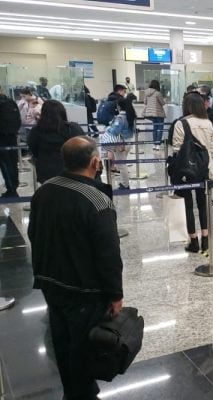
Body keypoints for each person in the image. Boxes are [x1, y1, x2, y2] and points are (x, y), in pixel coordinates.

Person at [28, 136, 123, 400]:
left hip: (50, 283)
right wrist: (115, 294)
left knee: (61, 340)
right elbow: (108, 255)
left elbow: (33, 234)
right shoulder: (97, 200)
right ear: (95, 162)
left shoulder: (44, 190)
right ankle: (81, 394)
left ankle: (73, 391)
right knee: (82, 347)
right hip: (84, 290)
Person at [173, 92, 213, 254]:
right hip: (206, 168)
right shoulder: (208, 123)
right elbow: (212, 150)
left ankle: (194, 241)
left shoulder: (181, 123)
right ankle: (206, 239)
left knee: (188, 205)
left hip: (187, 169)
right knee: (203, 203)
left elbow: (177, 150)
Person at [27, 100, 85, 184]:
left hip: (46, 171)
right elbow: (84, 146)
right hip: (72, 170)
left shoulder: (36, 131)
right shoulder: (73, 128)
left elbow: (33, 148)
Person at [99, 92, 135, 190]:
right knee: (122, 163)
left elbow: (115, 131)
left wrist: (109, 128)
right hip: (129, 141)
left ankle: (125, 184)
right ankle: (124, 182)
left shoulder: (120, 117)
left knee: (121, 165)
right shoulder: (130, 116)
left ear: (119, 107)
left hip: (121, 143)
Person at [0, 84, 21, 198]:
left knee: (5, 164)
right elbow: (18, 120)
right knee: (12, 163)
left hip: (2, 139)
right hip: (12, 137)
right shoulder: (10, 101)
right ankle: (14, 186)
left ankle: (11, 190)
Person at [143, 79, 166, 150]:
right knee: (160, 129)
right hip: (158, 113)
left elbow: (145, 102)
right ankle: (158, 144)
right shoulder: (158, 93)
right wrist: (164, 100)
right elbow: (162, 103)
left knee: (155, 128)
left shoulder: (146, 93)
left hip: (151, 114)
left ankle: (154, 144)